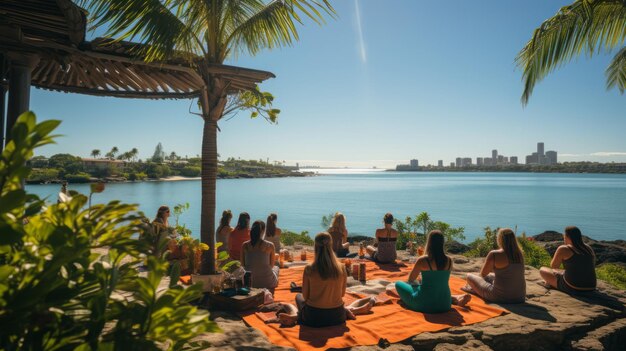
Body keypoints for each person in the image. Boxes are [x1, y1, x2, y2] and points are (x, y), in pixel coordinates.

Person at [272, 232, 375, 327]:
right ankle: (351, 310)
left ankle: (295, 316)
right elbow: (342, 294)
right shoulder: (341, 267)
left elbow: (305, 296)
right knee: (337, 305)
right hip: (338, 317)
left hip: (313, 318)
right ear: (330, 247)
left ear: (315, 247)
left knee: (297, 298)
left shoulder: (309, 269)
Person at [395, 230, 471, 313]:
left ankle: (454, 298)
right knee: (436, 288)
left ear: (429, 242)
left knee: (398, 284)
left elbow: (411, 279)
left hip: (424, 305)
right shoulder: (449, 260)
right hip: (445, 305)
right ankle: (455, 298)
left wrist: (420, 281)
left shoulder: (423, 260)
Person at [463, 228, 526, 303]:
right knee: (490, 276)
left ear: (500, 239)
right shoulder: (519, 254)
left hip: (499, 297)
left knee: (469, 276)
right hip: (519, 297)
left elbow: (483, 274)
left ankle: (474, 289)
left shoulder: (495, 254)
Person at [539, 226, 596, 294]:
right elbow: (591, 265)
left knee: (542, 270)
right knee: (563, 272)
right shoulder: (588, 248)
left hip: (573, 287)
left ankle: (551, 283)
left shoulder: (564, 248)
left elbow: (554, 266)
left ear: (567, 236)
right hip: (591, 287)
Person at [242, 220, 279, 290]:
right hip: (268, 283)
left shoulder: (245, 245)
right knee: (276, 268)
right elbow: (271, 266)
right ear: (262, 231)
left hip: (249, 282)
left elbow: (243, 265)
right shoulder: (270, 245)